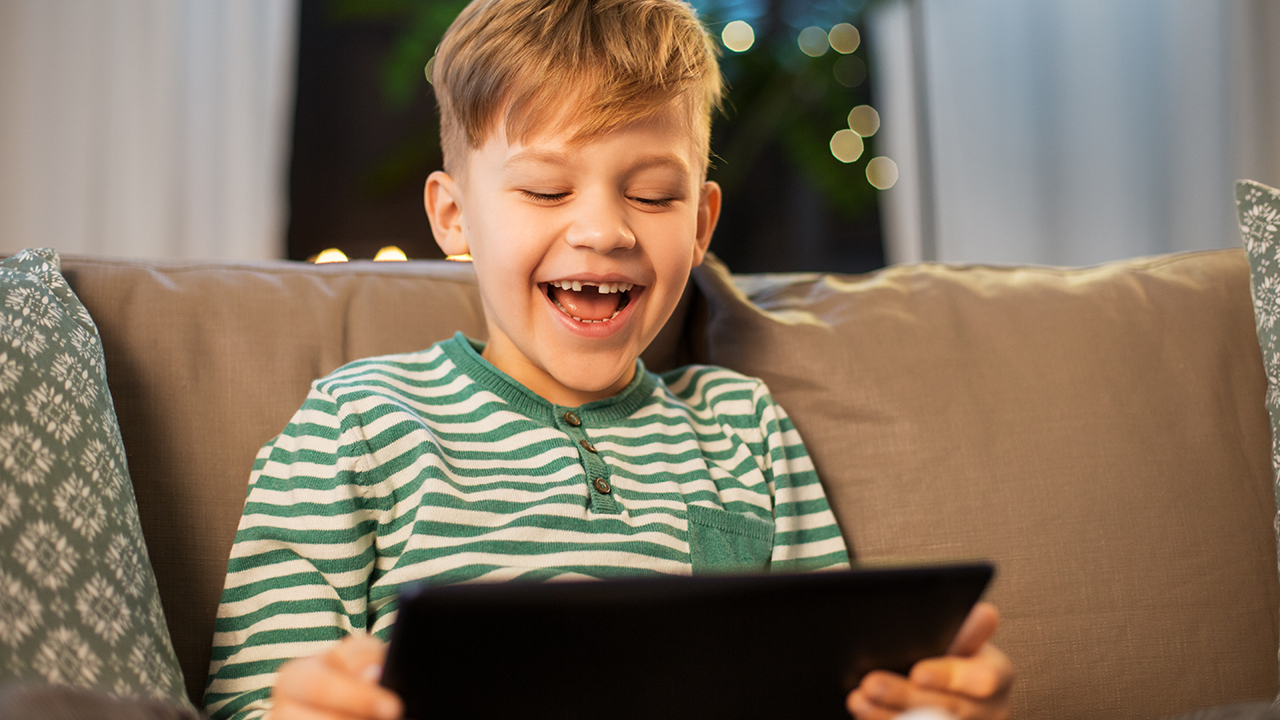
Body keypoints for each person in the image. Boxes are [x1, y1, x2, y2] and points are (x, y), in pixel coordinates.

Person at [202, 0, 1014, 718]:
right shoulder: (355, 423)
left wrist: (920, 710)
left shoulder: (747, 431)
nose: (605, 231)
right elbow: (252, 696)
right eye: (548, 191)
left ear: (700, 223)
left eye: (653, 195)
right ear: (454, 217)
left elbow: (843, 685)